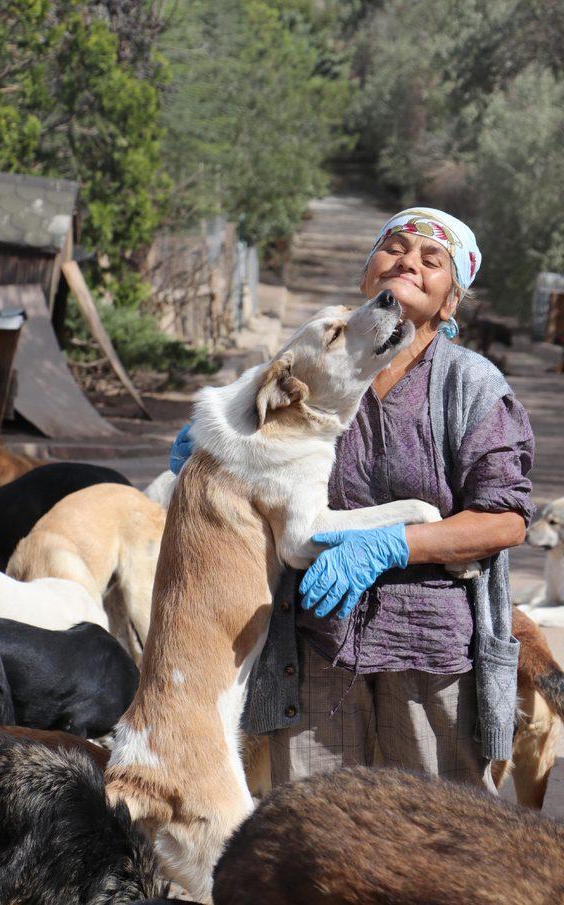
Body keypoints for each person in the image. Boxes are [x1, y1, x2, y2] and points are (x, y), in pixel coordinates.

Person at [169, 207, 535, 790]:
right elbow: (242, 460)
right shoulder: (316, 368)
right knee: (316, 844)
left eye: (431, 259)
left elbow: (505, 520)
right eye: (394, 246)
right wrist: (214, 448)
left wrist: (392, 544)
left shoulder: (471, 386)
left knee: (436, 845)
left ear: (450, 303)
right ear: (369, 275)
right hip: (317, 652)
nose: (408, 261)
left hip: (431, 657)